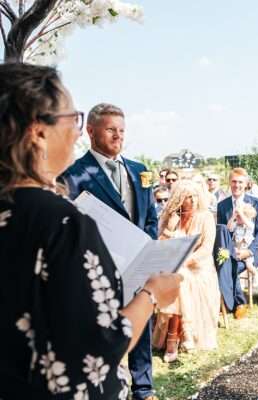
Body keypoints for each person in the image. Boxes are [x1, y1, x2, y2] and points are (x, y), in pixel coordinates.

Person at [0, 63, 181, 400]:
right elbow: (98, 348)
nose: (76, 132)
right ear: (38, 132)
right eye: (74, 119)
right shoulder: (62, 222)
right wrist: (153, 294)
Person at [61, 103, 160, 400]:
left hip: (139, 262)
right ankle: (110, 385)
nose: (118, 136)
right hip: (100, 267)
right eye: (110, 129)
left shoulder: (140, 171)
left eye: (121, 130)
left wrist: (148, 247)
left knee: (140, 323)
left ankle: (144, 388)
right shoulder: (74, 174)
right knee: (106, 326)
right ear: (90, 131)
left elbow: (150, 216)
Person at [152, 179, 221, 361]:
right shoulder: (170, 216)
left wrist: (184, 262)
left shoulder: (205, 217)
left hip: (199, 267)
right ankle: (182, 336)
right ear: (179, 199)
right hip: (173, 266)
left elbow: (206, 249)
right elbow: (160, 246)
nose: (193, 200)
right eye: (188, 197)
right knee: (178, 277)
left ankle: (173, 338)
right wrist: (169, 228)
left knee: (180, 278)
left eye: (194, 196)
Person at [216, 167, 258, 319]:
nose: (236, 185)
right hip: (231, 249)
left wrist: (249, 251)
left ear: (245, 184)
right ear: (229, 183)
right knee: (223, 264)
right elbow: (222, 233)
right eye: (233, 182)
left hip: (251, 250)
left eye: (240, 182)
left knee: (231, 267)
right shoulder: (222, 205)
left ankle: (238, 303)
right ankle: (228, 301)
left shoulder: (256, 203)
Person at [227, 202, 258, 276]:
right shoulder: (236, 225)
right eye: (237, 216)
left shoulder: (248, 225)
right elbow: (228, 228)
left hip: (246, 252)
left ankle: (255, 274)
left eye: (239, 217)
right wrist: (233, 216)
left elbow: (249, 225)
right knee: (230, 263)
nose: (237, 218)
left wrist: (241, 213)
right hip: (237, 250)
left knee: (249, 265)